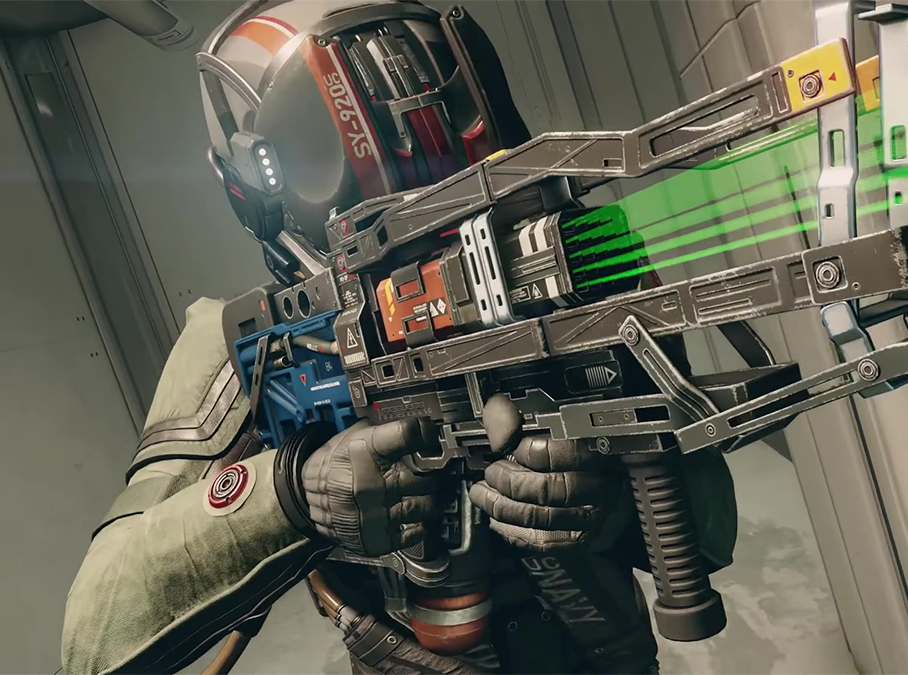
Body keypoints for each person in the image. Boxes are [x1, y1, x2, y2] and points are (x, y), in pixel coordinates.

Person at [60, 2, 736, 673]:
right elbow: (94, 633)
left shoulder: (562, 261)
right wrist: (291, 492)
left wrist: (610, 498)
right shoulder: (251, 342)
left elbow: (709, 533)